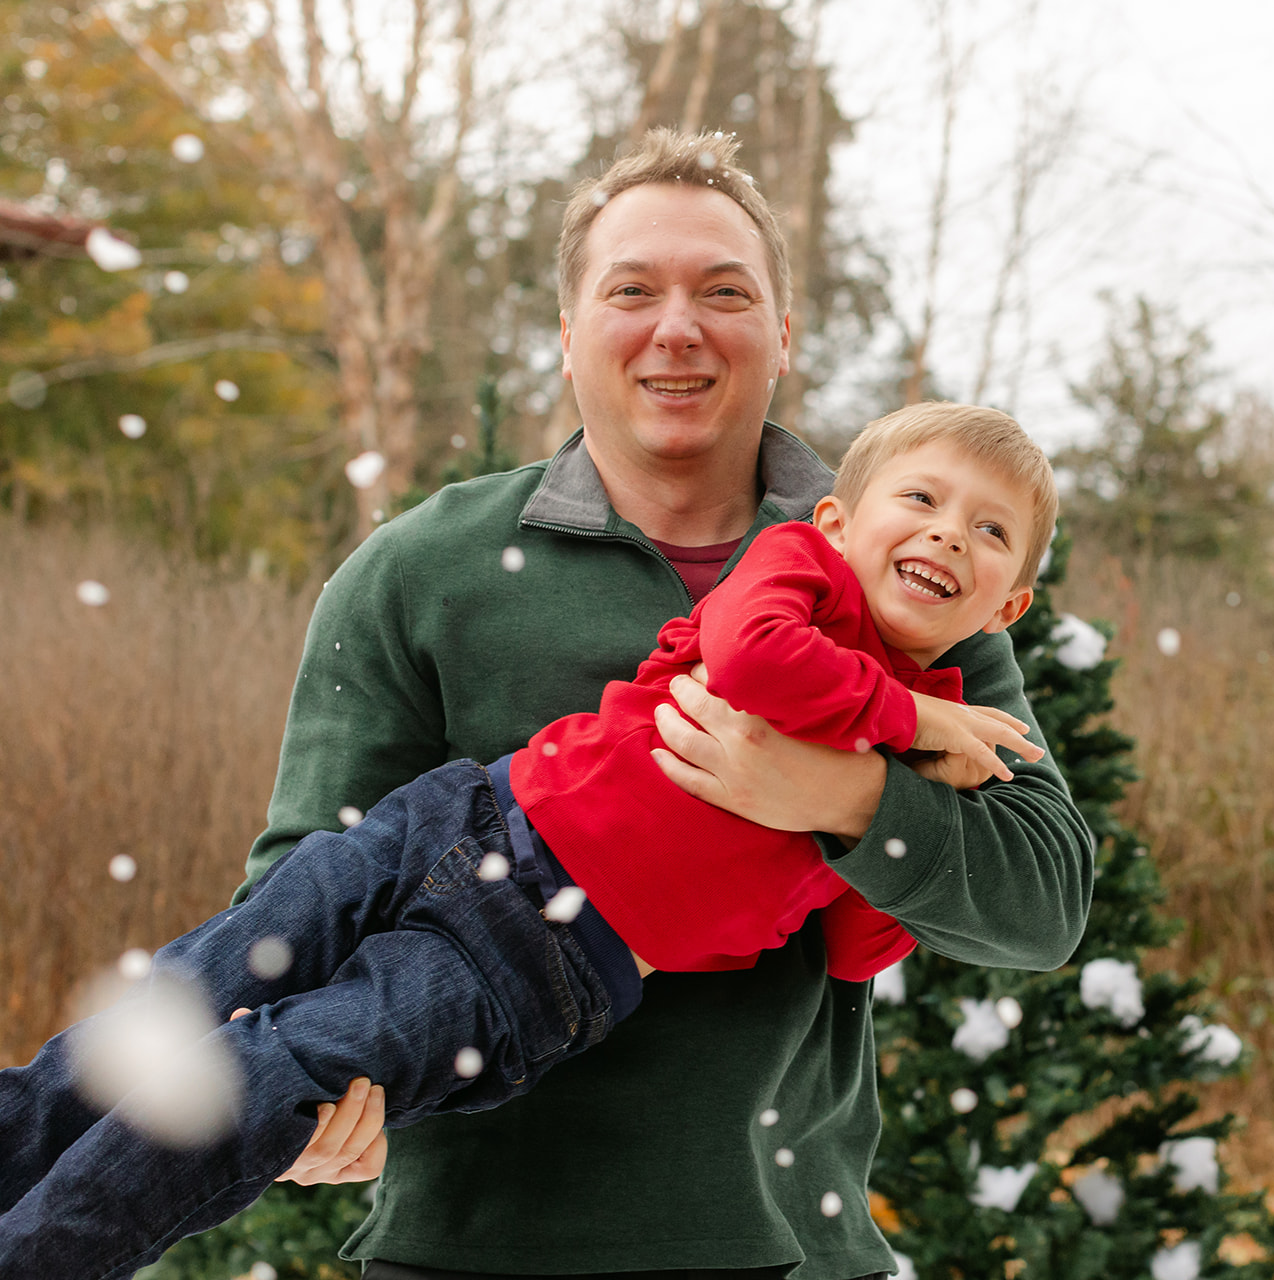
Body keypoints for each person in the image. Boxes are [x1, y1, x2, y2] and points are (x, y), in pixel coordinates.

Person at [101, 127, 1090, 1280]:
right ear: (570, 336)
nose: (679, 327)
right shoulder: (427, 568)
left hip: (784, 1237)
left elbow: (1043, 898)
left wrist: (846, 794)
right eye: (633, 290)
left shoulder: (912, 578)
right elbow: (316, 869)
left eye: (725, 291)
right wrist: (310, 1103)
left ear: (782, 336)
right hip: (474, 1244)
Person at [0, 403, 1061, 1280]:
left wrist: (874, 803)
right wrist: (913, 729)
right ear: (835, 517)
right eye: (919, 500)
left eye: (988, 531)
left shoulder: (965, 712)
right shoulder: (799, 573)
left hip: (537, 959)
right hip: (457, 815)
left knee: (262, 1070)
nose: (947, 535)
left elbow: (868, 944)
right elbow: (752, 657)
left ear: (1005, 605)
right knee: (192, 989)